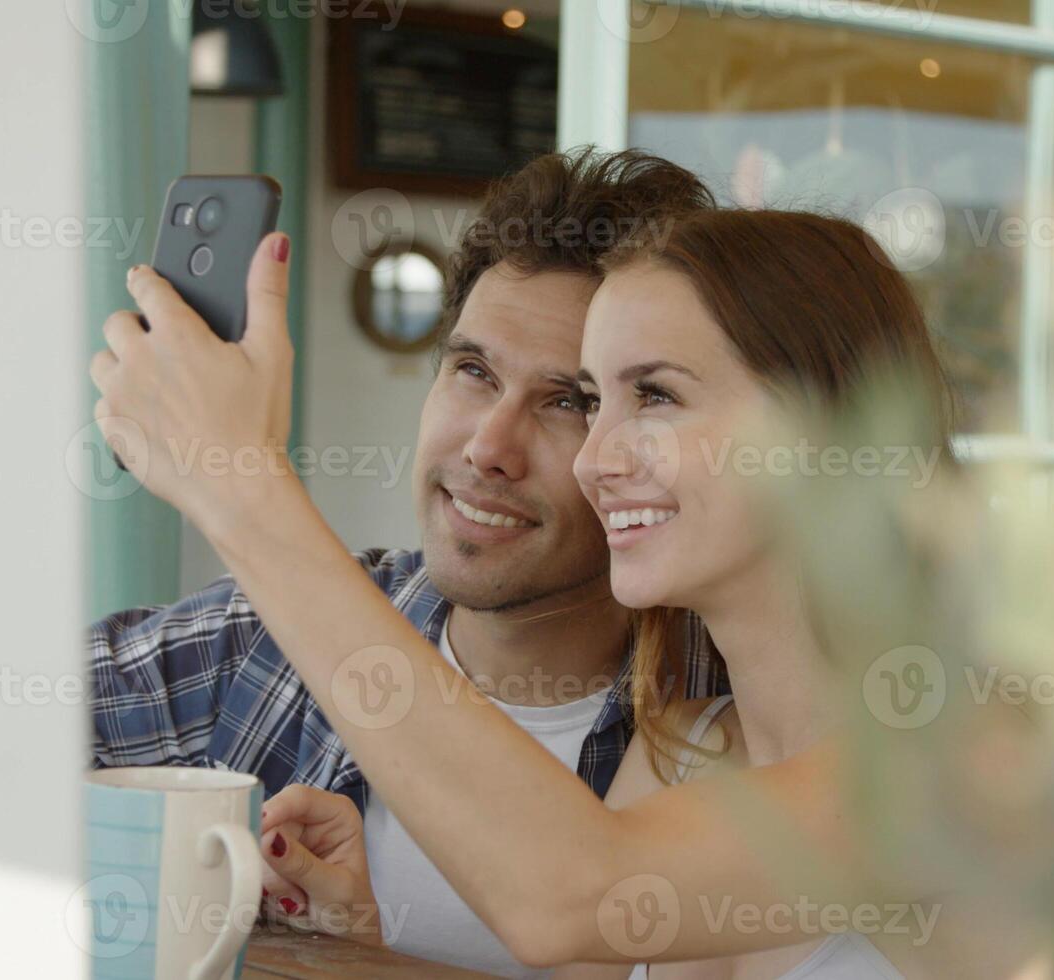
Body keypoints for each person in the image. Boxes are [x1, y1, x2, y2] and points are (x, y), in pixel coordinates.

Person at [90, 208, 1054, 976]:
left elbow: (569, 896)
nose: (593, 459)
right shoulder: (686, 746)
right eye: (595, 403)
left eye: (651, 395)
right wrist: (359, 941)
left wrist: (239, 487)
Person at [85, 148, 723, 978]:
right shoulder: (258, 643)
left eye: (570, 402)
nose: (489, 447)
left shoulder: (730, 707)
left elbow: (573, 902)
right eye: (471, 370)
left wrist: (235, 481)